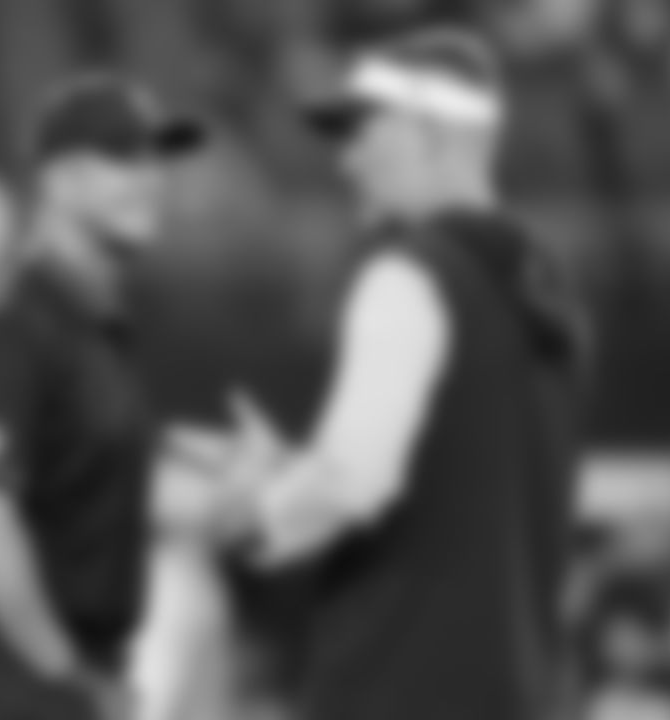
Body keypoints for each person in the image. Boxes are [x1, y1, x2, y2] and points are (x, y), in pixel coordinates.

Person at [200, 28, 588, 720]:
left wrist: (255, 512)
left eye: (364, 132)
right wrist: (295, 469)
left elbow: (354, 481)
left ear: (429, 133)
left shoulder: (409, 276)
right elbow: (461, 486)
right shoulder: (546, 290)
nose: (347, 161)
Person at [0, 77, 205, 720]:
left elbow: (88, 499)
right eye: (122, 158)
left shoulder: (98, 333)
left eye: (157, 158)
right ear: (58, 182)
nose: (151, 177)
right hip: (15, 687)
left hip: (70, 676)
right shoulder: (6, 329)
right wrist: (67, 677)